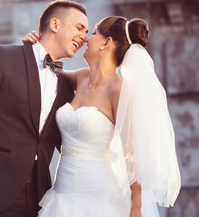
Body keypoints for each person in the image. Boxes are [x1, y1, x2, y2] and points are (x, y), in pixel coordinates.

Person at [23, 16, 181, 216]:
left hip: (99, 199)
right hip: (62, 198)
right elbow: (48, 70)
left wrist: (136, 208)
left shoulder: (119, 90)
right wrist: (36, 48)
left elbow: (133, 155)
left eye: (94, 32)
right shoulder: (81, 77)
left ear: (107, 42)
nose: (87, 38)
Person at [0, 0, 88, 217]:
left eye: (87, 32)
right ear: (55, 25)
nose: (84, 37)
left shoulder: (66, 87)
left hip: (39, 199)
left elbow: (66, 143)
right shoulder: (1, 58)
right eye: (79, 28)